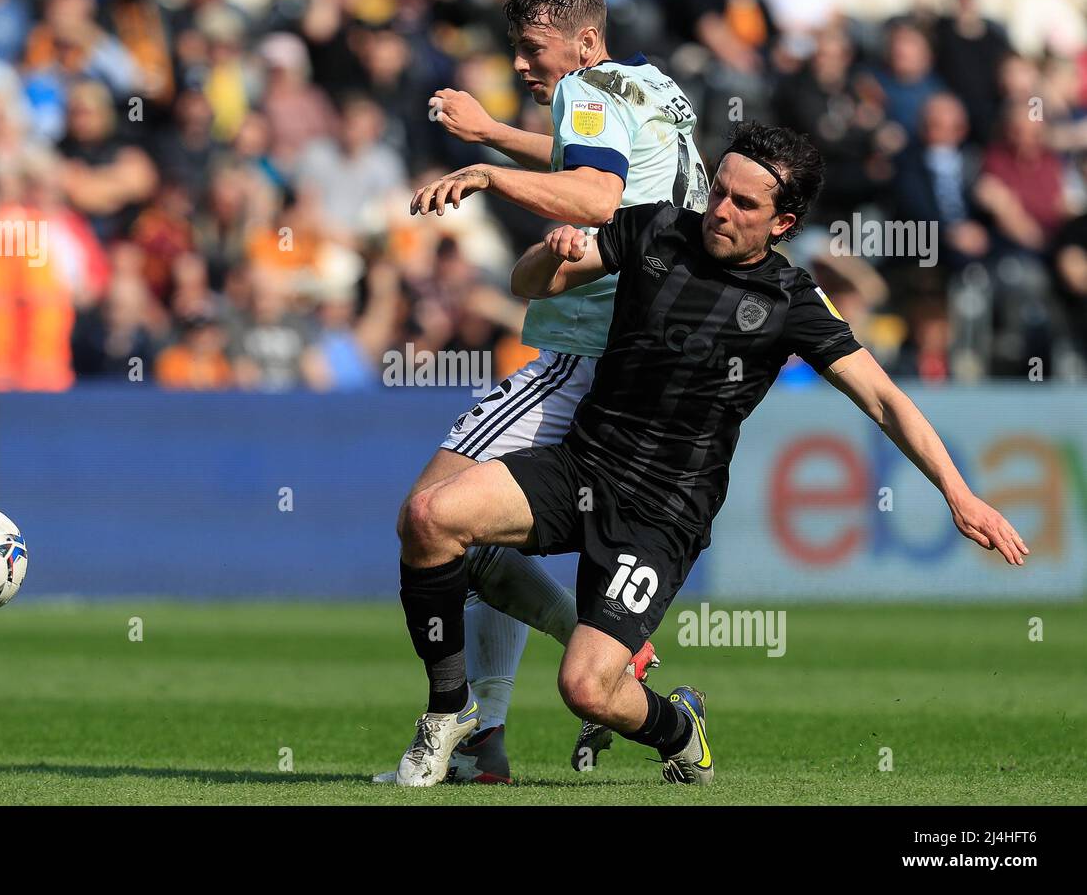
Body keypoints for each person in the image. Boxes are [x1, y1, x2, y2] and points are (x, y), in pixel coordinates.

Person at [389, 122, 1029, 787]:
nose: (719, 210)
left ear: (783, 222)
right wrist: (553, 254)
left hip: (662, 513)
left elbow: (886, 401)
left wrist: (959, 493)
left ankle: (678, 728)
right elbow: (530, 284)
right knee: (430, 517)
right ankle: (448, 711)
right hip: (581, 466)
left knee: (585, 689)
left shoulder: (792, 301)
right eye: (718, 190)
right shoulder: (655, 229)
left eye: (743, 204)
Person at [378, 0, 708, 785]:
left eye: (532, 48)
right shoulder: (652, 87)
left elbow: (597, 196)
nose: (523, 65)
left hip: (578, 359)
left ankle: (472, 716)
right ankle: (485, 739)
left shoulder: (584, 89)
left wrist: (489, 172)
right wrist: (494, 133)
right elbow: (601, 161)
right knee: (459, 531)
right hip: (650, 371)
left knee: (428, 523)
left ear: (584, 41)